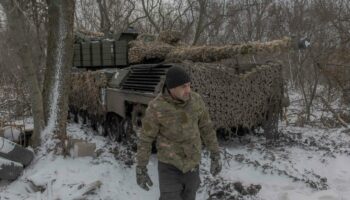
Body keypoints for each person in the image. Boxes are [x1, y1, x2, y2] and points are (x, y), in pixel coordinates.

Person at [136, 65, 222, 200]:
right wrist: (141, 167)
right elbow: (146, 138)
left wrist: (215, 154)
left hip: (192, 164)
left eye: (189, 85)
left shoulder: (196, 100)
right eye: (183, 87)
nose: (188, 90)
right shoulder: (156, 107)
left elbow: (207, 128)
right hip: (169, 166)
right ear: (171, 88)